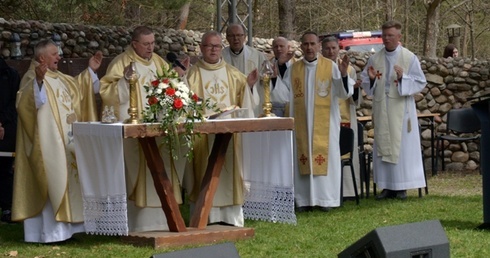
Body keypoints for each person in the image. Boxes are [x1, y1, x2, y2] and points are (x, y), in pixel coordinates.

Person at [100, 25, 188, 232]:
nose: (151, 48)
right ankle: (137, 223)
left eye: (153, 43)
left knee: (161, 167)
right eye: (146, 44)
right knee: (138, 170)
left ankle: (163, 220)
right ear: (134, 44)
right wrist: (124, 81)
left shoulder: (159, 61)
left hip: (158, 127)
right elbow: (106, 91)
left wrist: (180, 76)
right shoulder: (121, 62)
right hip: (133, 130)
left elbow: (172, 88)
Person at [12, 39, 102, 242]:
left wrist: (89, 72)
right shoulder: (31, 77)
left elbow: (78, 90)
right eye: (54, 54)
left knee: (70, 181)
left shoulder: (60, 77)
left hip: (67, 141)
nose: (59, 57)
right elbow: (25, 103)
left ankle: (68, 230)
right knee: (51, 180)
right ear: (41, 57)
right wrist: (39, 82)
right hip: (48, 145)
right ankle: (48, 233)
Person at [186, 30, 257, 226]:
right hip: (202, 137)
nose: (213, 50)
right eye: (209, 46)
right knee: (204, 169)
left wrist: (249, 87)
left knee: (229, 170)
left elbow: (246, 103)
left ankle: (229, 216)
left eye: (217, 46)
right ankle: (205, 215)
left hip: (229, 136)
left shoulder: (234, 75)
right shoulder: (192, 74)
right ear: (201, 48)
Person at [284, 32, 354, 212]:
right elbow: (280, 94)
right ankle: (304, 200)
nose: (309, 47)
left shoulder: (330, 66)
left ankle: (326, 200)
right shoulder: (293, 69)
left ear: (318, 45)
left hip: (326, 125)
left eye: (312, 44)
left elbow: (344, 93)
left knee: (326, 158)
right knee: (303, 156)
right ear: (301, 46)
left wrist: (344, 74)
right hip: (301, 126)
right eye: (305, 44)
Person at [360, 20, 427, 200]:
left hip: (402, 110)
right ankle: (388, 187)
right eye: (384, 35)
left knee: (402, 148)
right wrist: (373, 80)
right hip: (382, 108)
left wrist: (403, 77)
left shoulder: (409, 57)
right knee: (383, 146)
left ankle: (402, 187)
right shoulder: (375, 59)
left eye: (391, 35)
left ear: (399, 37)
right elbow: (366, 81)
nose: (387, 39)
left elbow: (420, 81)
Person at [321, 36, 362, 199]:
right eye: (327, 49)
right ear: (321, 50)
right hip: (323, 116)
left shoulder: (349, 69)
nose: (331, 51)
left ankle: (347, 191)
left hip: (344, 114)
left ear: (339, 49)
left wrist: (356, 89)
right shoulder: (318, 68)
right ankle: (325, 190)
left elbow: (353, 98)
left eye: (334, 48)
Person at [222, 23, 266, 117]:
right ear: (227, 38)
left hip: (251, 104)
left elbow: (266, 81)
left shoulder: (257, 56)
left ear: (245, 37)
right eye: (232, 35)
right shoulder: (221, 57)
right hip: (229, 104)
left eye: (239, 35)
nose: (236, 39)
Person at [0, 58, 20, 223]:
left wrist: (1, 122)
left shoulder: (11, 75)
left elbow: (15, 101)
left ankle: (7, 207)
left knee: (5, 166)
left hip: (6, 126)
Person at [269, 36, 296, 117]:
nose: (278, 49)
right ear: (272, 49)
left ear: (288, 47)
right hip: (275, 106)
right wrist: (280, 65)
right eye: (276, 46)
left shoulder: (296, 65)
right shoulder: (268, 65)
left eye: (281, 46)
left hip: (292, 105)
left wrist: (282, 65)